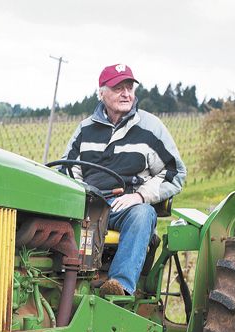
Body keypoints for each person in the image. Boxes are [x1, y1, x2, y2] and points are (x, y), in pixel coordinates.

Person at [61, 63, 186, 296]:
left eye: (129, 87)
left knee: (143, 214)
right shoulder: (85, 130)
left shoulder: (150, 128)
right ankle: (58, 283)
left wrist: (139, 196)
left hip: (125, 207)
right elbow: (69, 170)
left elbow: (174, 173)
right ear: (101, 92)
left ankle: (119, 286)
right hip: (88, 205)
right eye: (118, 88)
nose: (126, 93)